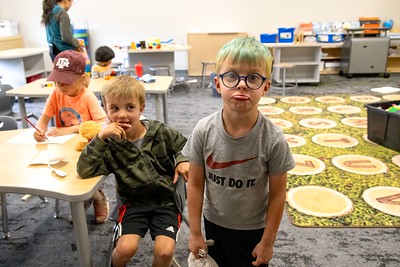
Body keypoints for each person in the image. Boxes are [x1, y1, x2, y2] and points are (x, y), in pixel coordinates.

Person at [182, 37, 296, 267]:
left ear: (265, 87)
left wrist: (268, 241)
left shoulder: (273, 140)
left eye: (253, 77)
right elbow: (194, 184)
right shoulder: (203, 130)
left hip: (254, 228)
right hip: (214, 222)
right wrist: (195, 232)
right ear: (217, 84)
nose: (242, 84)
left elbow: (277, 195)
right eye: (232, 76)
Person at [76, 75, 190, 267]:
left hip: (166, 202)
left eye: (130, 107)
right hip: (134, 204)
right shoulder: (109, 144)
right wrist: (100, 138)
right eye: (114, 108)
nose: (122, 115)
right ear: (105, 109)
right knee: (124, 249)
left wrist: (182, 160)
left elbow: (185, 145)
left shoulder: (159, 131)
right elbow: (85, 170)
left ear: (141, 108)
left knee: (164, 253)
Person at [33, 50, 110, 224]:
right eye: (57, 81)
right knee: (64, 176)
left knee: (83, 177)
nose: (60, 86)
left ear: (82, 79)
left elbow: (103, 123)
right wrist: (39, 130)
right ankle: (81, 200)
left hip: (87, 149)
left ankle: (98, 198)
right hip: (63, 147)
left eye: (65, 82)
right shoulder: (55, 94)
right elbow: (43, 119)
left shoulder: (87, 97)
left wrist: (73, 129)